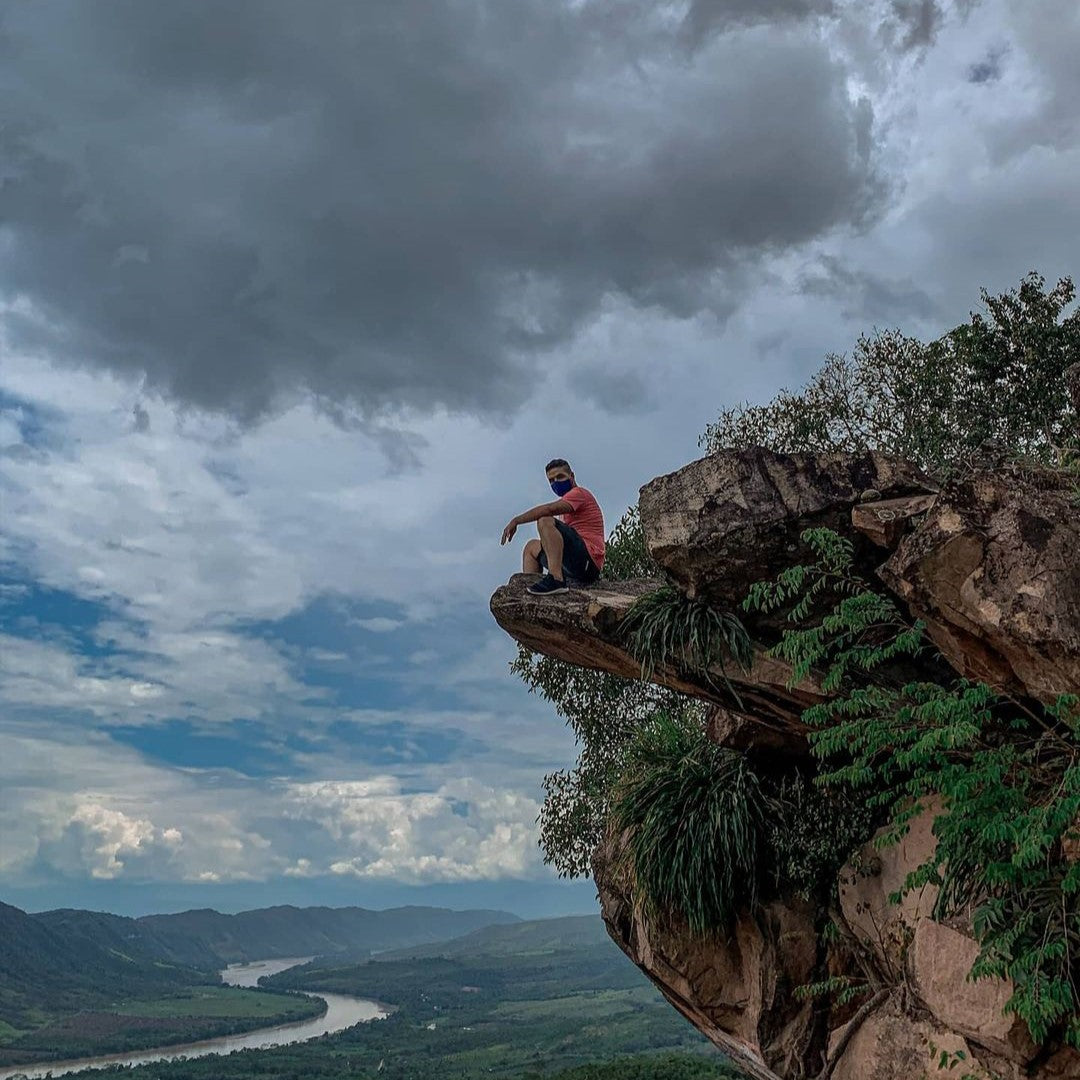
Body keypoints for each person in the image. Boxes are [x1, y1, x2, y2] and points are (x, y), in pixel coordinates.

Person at [500, 458, 605, 595]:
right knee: (531, 547)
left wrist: (516, 521)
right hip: (572, 564)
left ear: (571, 476)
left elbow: (548, 510)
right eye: (551, 480)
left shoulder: (579, 494)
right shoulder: (567, 507)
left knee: (544, 520)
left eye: (560, 477)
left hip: (588, 563)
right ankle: (532, 589)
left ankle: (556, 580)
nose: (556, 482)